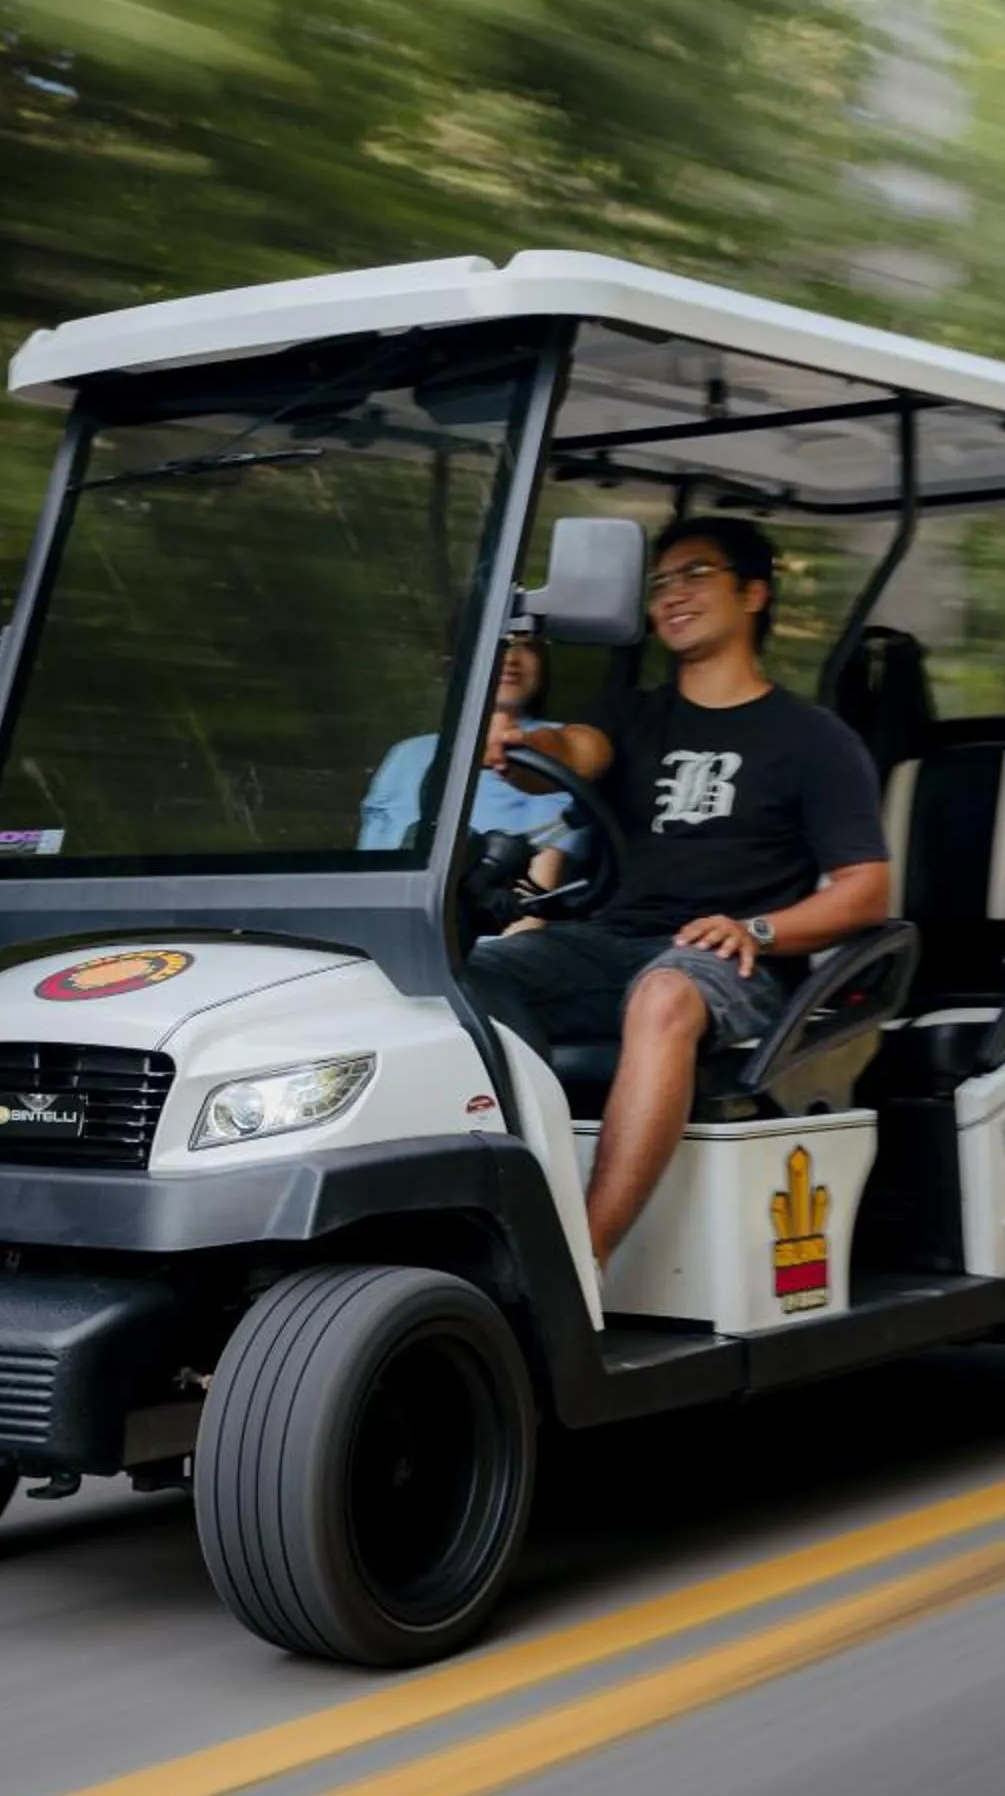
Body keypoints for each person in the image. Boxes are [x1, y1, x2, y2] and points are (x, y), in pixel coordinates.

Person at [468, 517, 891, 1269]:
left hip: (736, 960)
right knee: (465, 976)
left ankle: (577, 1263)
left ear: (753, 592)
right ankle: (484, 1214)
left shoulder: (813, 738)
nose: (672, 595)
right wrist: (523, 746)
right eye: (659, 583)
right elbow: (568, 752)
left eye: (695, 575)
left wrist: (757, 930)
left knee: (664, 992)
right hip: (611, 944)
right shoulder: (632, 716)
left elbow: (865, 892)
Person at [359, 633, 580, 909]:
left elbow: (538, 884)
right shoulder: (407, 755)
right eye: (500, 643)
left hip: (492, 936)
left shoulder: (561, 745)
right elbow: (366, 868)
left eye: (528, 646)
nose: (511, 657)